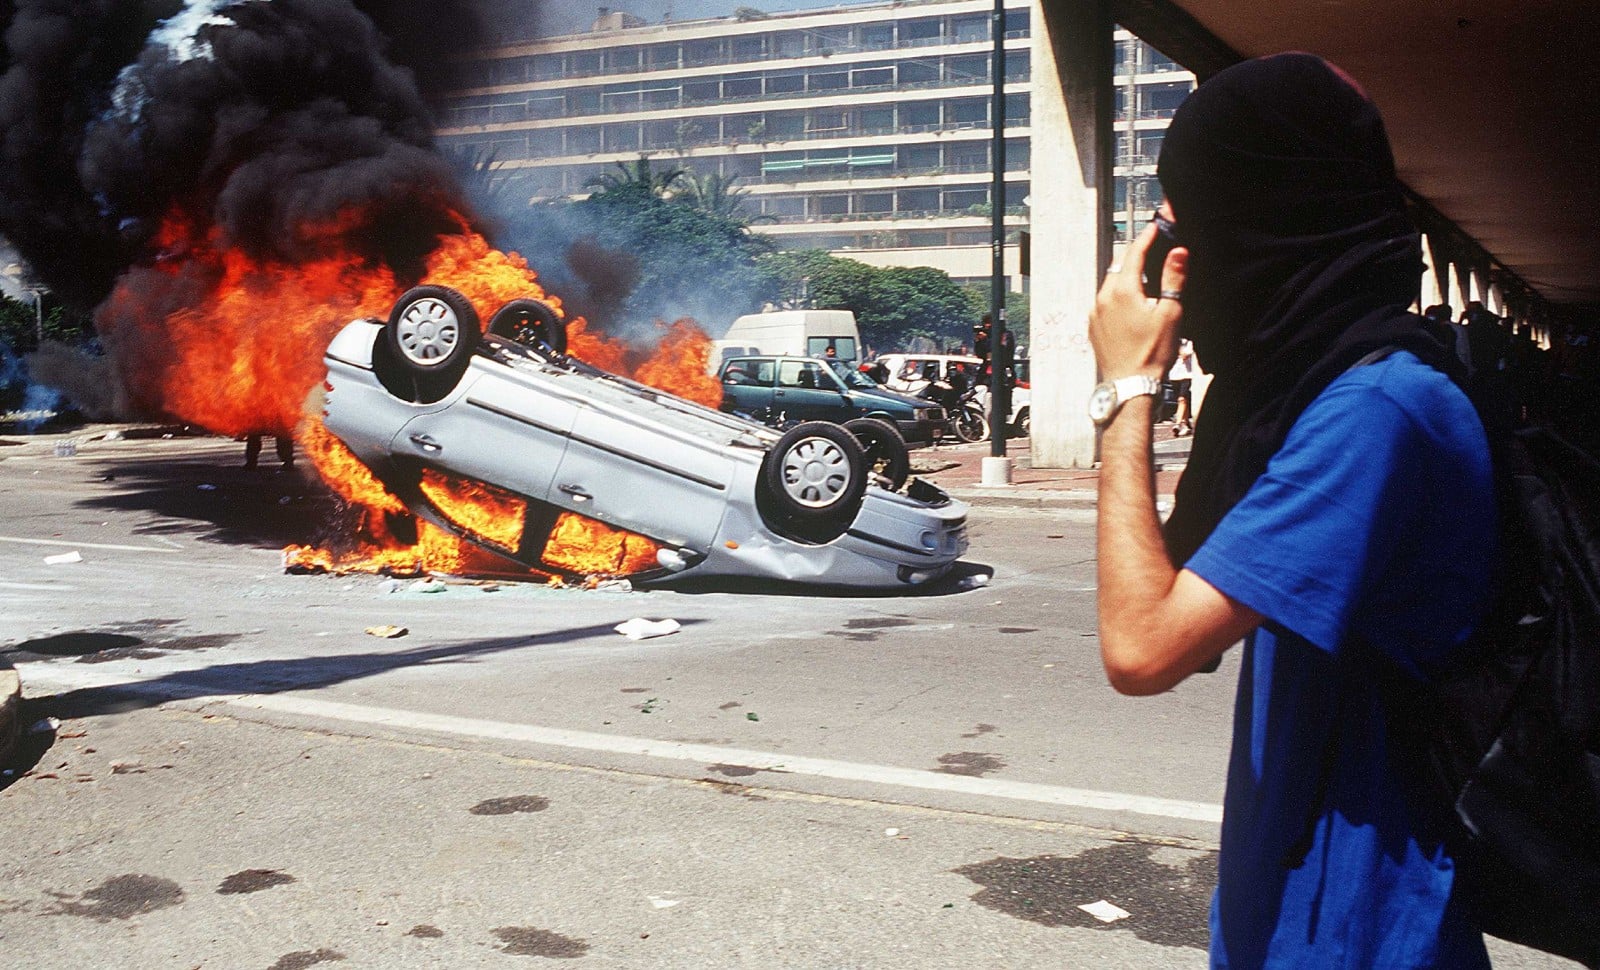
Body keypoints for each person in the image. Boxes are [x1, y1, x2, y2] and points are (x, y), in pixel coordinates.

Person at [1087, 54, 1496, 968]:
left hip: (1358, 933)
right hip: (1301, 912)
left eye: (1186, 220)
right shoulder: (1323, 396)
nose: (1169, 257)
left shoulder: (1373, 413)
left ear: (1264, 220)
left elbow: (1142, 648)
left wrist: (1125, 390)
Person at [1167, 337, 1197, 436]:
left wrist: (1178, 350)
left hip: (1187, 375)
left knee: (1182, 400)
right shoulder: (1173, 340)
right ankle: (1187, 424)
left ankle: (1177, 423)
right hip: (1174, 375)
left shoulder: (1189, 342)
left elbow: (1185, 355)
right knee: (1183, 402)